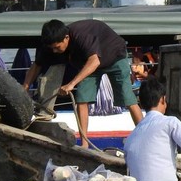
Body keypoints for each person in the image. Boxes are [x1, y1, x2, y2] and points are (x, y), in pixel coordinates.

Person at [21, 19, 144, 148]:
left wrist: (71, 84)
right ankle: (84, 145)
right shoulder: (51, 46)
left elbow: (94, 61)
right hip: (87, 63)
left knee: (128, 98)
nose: (55, 52)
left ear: (66, 38)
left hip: (114, 57)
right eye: (52, 49)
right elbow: (36, 66)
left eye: (57, 47)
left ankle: (144, 136)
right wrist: (25, 87)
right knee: (82, 99)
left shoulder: (81, 35)